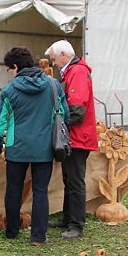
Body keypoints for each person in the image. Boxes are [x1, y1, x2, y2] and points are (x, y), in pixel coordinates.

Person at [0, 47, 69, 246]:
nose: (10, 72)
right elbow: (65, 115)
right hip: (45, 149)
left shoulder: (9, 89)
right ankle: (38, 237)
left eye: (9, 69)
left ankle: (12, 231)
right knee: (41, 191)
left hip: (16, 148)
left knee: (13, 189)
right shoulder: (53, 85)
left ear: (15, 67)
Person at [45, 40, 98, 239]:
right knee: (69, 179)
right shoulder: (72, 72)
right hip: (73, 137)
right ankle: (68, 219)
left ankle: (76, 225)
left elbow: (77, 109)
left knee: (75, 181)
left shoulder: (77, 72)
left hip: (78, 137)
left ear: (64, 55)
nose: (54, 64)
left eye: (54, 59)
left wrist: (59, 127)